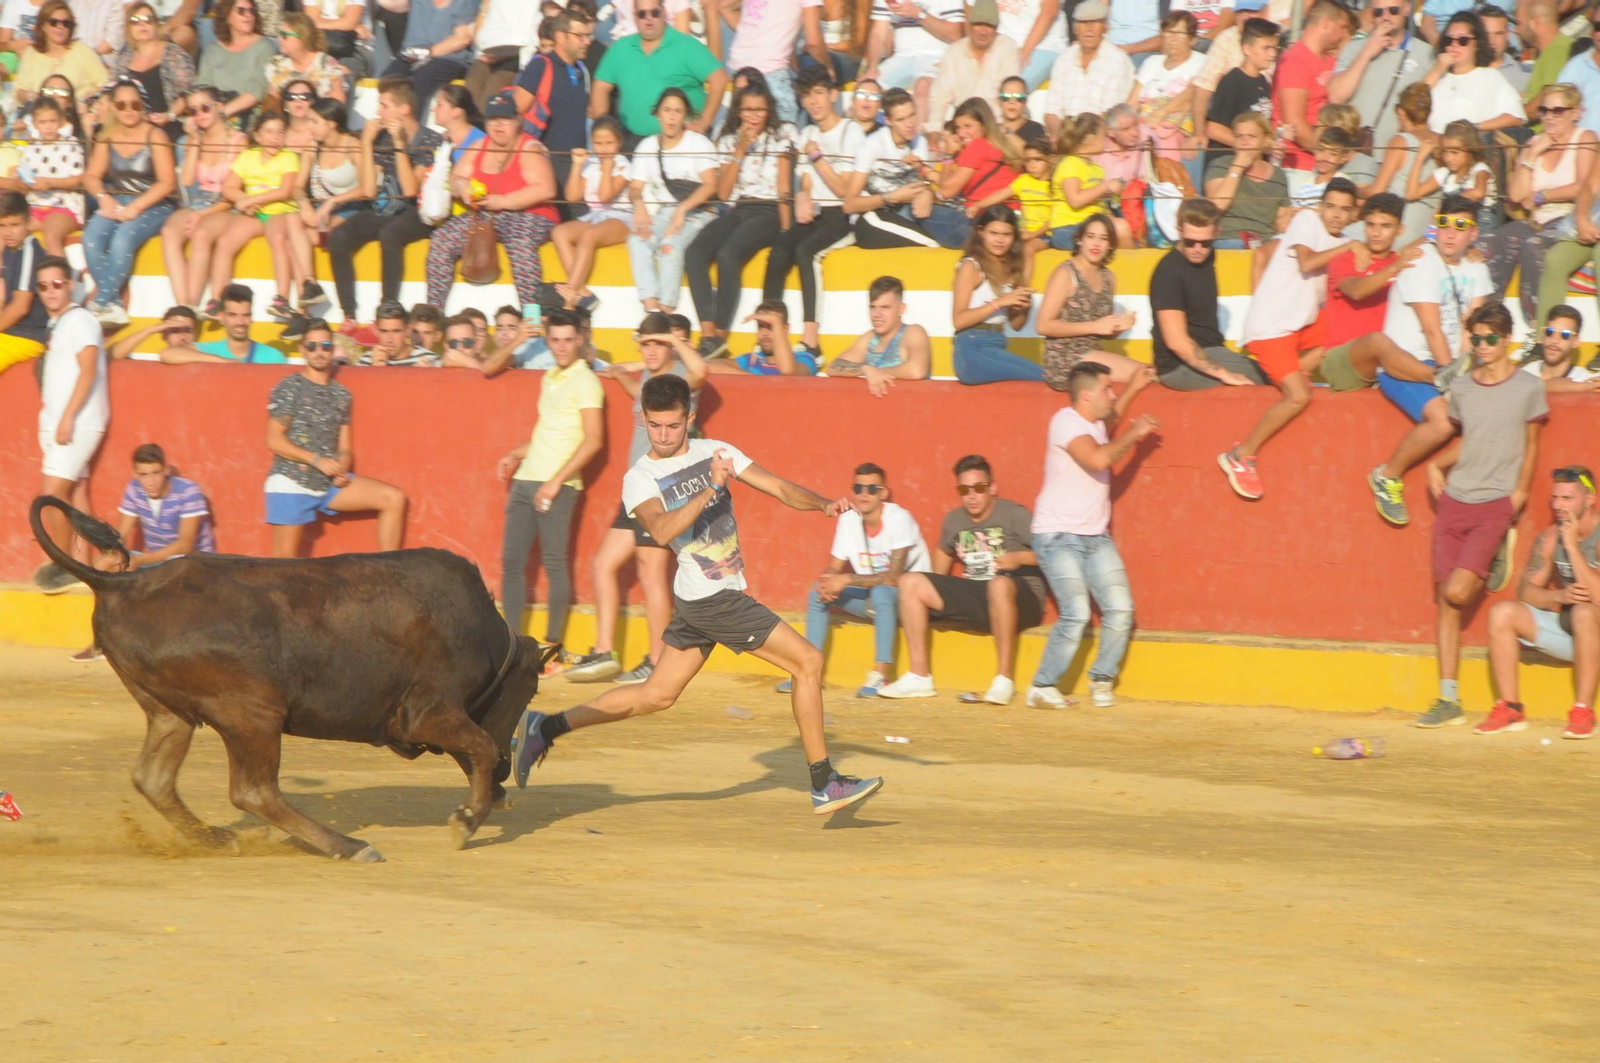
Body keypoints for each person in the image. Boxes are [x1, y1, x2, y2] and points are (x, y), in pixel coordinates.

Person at [507, 371, 886, 817]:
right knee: (808, 661)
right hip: (713, 599)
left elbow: (779, 487)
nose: (664, 436)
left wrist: (821, 503)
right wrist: (711, 486)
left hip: (699, 598)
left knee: (655, 695)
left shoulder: (716, 452)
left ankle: (545, 727)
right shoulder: (640, 478)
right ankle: (825, 781)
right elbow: (664, 529)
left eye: (672, 425)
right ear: (643, 419)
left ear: (689, 417)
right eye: (654, 425)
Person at [1412, 304, 1546, 729]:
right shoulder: (1465, 390)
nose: (1483, 346)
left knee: (1456, 591)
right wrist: (1437, 466)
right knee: (1445, 602)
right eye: (1477, 338)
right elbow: (1471, 442)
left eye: (1491, 338)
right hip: (1455, 499)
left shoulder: (1528, 386)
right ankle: (1448, 696)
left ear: (1507, 339)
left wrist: (1519, 495)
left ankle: (1489, 558)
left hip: (1495, 503)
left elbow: (1531, 444)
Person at [564, 317, 710, 685]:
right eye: (645, 343)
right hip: (637, 490)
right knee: (602, 565)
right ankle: (604, 651)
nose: (650, 350)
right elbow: (636, 389)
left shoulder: (678, 380)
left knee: (650, 570)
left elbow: (702, 369)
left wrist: (670, 341)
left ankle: (658, 658)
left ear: (670, 344)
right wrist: (619, 375)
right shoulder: (648, 381)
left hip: (663, 491)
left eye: (657, 343)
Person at [1026, 343, 1159, 711]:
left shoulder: (1093, 423)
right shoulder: (1065, 421)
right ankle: (1042, 685)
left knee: (1121, 608)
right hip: (1057, 537)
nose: (1111, 394)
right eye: (1107, 389)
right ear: (1086, 395)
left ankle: (1101, 679)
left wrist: (1133, 386)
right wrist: (1135, 435)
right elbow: (1100, 456)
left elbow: (1108, 425)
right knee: (1077, 612)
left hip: (1094, 536)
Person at [1217, 179, 1361, 499]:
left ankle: (1291, 371)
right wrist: (1351, 247)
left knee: (1351, 330)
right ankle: (1241, 456)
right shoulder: (1307, 221)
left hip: (1299, 327)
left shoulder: (1346, 240)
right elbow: (1308, 262)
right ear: (1321, 206)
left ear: (1354, 214)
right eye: (1331, 206)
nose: (1336, 215)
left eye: (1344, 209)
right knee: (1299, 396)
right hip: (1272, 328)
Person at [878, 454, 1048, 704]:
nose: (972, 495)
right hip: (976, 596)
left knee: (999, 584)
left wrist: (1019, 557)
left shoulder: (1015, 514)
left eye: (979, 488)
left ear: (992, 488)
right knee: (910, 581)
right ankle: (919, 676)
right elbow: (942, 560)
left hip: (1021, 597)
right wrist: (933, 596)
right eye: (964, 489)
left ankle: (1004, 680)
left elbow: (1051, 553)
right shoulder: (954, 521)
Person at [1369, 195, 1496, 527]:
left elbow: (1474, 327)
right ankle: (1387, 475)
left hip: (1453, 365)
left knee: (1492, 421)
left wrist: (1468, 369)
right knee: (1444, 421)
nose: (1450, 233)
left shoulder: (1476, 266)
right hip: (1408, 366)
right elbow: (1432, 329)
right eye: (1444, 224)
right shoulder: (1420, 260)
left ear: (1474, 232)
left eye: (1460, 226)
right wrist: (1455, 379)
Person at [494, 308, 604, 668]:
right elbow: (548, 433)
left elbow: (593, 440)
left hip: (558, 485)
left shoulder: (586, 380)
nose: (561, 346)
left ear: (580, 339)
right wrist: (515, 453)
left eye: (568, 340)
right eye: (554, 339)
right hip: (526, 479)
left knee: (555, 564)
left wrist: (557, 481)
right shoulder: (551, 377)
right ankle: (510, 646)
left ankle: (552, 650)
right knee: (512, 563)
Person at [782, 462, 931, 698]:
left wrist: (846, 579)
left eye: (872, 489)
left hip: (907, 603)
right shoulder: (848, 520)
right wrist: (829, 580)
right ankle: (809, 672)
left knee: (883, 591)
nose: (864, 494)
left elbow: (893, 578)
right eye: (858, 488)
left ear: (883, 493)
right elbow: (834, 565)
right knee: (815, 591)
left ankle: (880, 675)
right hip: (872, 599)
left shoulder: (900, 519)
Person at [265, 320, 407, 558]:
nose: (319, 351)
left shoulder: (342, 394)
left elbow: (344, 447)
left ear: (332, 349)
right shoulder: (289, 386)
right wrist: (317, 460)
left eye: (325, 345)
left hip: (328, 483)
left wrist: (342, 467)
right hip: (290, 480)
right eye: (312, 346)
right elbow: (273, 440)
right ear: (302, 349)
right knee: (282, 568)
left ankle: (390, 575)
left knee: (394, 499)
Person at [1476, 466, 1600, 737]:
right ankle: (1511, 708)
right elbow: (1526, 592)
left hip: (1594, 629)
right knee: (1502, 613)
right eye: (1555, 498)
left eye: (1567, 498)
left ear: (1590, 499)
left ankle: (1583, 711)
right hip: (1574, 635)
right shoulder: (1549, 537)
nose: (1558, 505)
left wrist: (1574, 548)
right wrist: (1558, 596)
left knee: (1584, 612)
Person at [760, 67, 863, 361]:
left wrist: (818, 158)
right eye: (807, 95)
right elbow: (805, 180)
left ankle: (811, 341)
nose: (813, 102)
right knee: (779, 251)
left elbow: (844, 189)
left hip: (841, 214)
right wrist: (803, 196)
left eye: (818, 93)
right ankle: (767, 335)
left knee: (806, 252)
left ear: (832, 94)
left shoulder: (850, 131)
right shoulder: (808, 132)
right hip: (815, 211)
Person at [684, 83, 795, 353]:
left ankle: (720, 335)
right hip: (739, 208)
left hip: (768, 209)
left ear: (768, 110)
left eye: (760, 110)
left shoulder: (781, 136)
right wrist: (739, 152)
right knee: (695, 253)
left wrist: (787, 230)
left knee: (728, 255)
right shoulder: (730, 139)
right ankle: (708, 333)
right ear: (739, 111)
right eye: (748, 110)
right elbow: (723, 192)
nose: (754, 116)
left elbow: (784, 187)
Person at [327, 79, 443, 337]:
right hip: (382, 206)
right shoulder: (378, 137)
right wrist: (367, 144)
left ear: (404, 109)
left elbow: (411, 189)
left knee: (390, 235)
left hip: (415, 212)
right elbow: (369, 190)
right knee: (339, 237)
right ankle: (348, 314)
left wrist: (400, 144)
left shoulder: (430, 139)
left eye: (384, 105)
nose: (379, 112)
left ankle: (387, 308)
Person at [427, 89, 559, 312]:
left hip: (531, 215)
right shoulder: (480, 146)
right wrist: (464, 188)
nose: (498, 125)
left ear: (517, 121)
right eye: (493, 120)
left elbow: (546, 189)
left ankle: (532, 315)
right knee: (441, 239)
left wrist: (505, 200)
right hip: (487, 215)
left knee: (521, 244)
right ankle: (434, 312)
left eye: (505, 119)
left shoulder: (530, 148)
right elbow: (456, 177)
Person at [1309, 193, 1440, 393]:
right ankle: (1439, 376)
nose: (1376, 233)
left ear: (1400, 230)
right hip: (1341, 361)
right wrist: (1394, 268)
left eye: (1385, 226)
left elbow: (1426, 246)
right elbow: (1356, 291)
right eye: (1371, 225)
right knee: (1376, 340)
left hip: (1385, 363)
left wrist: (1445, 233)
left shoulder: (1400, 262)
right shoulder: (1346, 259)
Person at [1485, 84, 1596, 320]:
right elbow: (1516, 195)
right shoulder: (1534, 144)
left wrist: (1540, 196)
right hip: (1536, 219)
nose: (1549, 116)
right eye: (1544, 110)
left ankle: (1538, 324)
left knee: (1533, 246)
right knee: (1492, 240)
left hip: (1569, 217)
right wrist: (1533, 155)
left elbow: (1582, 186)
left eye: (1557, 111)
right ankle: (1488, 317)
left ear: (1575, 113)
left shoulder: (1585, 138)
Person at [32, 254, 106, 594]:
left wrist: (67, 417)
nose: (50, 291)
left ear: (70, 286)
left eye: (57, 284)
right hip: (67, 422)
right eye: (43, 286)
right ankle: (84, 567)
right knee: (76, 497)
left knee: (51, 495)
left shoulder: (79, 320)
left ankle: (63, 564)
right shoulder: (62, 323)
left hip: (76, 422)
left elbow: (88, 370)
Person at [80, 77, 177, 326]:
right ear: (113, 107)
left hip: (155, 203)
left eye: (135, 105)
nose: (129, 110)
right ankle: (114, 304)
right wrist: (103, 198)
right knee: (90, 238)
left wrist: (137, 206)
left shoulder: (156, 135)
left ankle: (100, 303)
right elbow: (91, 176)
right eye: (122, 105)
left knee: (123, 238)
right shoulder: (107, 136)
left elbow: (167, 183)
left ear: (142, 107)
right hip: (116, 199)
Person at [1152, 197, 1268, 390]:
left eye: (1205, 243)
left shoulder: (1209, 255)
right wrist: (1225, 374)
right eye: (1190, 242)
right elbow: (1177, 343)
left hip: (1211, 351)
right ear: (1179, 231)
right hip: (1178, 366)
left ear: (1217, 233)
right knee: (1263, 378)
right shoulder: (1168, 273)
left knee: (1274, 372)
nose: (1198, 249)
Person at [193, 110, 299, 321]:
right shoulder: (248, 156)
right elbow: (230, 187)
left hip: (280, 210)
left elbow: (284, 191)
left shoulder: (289, 157)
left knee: (278, 240)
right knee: (225, 242)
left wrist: (251, 200)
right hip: (254, 212)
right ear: (258, 135)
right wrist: (243, 199)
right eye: (268, 132)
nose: (274, 137)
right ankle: (217, 301)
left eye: (280, 132)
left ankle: (282, 299)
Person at [625, 88, 719, 315]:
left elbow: (710, 185)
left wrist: (683, 209)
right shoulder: (647, 146)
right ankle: (651, 310)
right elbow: (635, 188)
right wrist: (639, 205)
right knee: (637, 240)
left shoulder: (698, 143)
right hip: (665, 211)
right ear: (658, 113)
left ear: (685, 115)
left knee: (671, 246)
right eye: (667, 110)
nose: (672, 116)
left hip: (699, 210)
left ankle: (666, 311)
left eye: (678, 111)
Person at [590, 0, 724, 141]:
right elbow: (600, 87)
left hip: (682, 141)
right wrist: (603, 132)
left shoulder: (686, 46)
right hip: (633, 140)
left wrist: (704, 122)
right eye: (642, 14)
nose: (649, 18)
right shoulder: (620, 48)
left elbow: (719, 80)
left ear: (664, 12)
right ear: (635, 16)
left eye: (654, 13)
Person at [1036, 214, 1142, 390]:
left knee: (1145, 373)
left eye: (1104, 238)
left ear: (1110, 245)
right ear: (1079, 240)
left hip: (1093, 356)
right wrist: (1095, 326)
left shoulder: (1109, 277)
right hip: (1065, 361)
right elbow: (1043, 325)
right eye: (1090, 236)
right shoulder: (1065, 273)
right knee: (1142, 373)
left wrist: (1120, 326)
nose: (1096, 244)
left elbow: (1101, 330)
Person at [161, 86, 244, 308]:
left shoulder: (238, 140)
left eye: (205, 108)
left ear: (218, 107)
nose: (200, 114)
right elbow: (188, 181)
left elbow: (234, 193)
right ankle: (184, 306)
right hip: (197, 201)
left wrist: (202, 214)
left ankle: (192, 305)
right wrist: (194, 140)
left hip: (226, 205)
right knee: (169, 232)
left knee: (201, 234)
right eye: (193, 111)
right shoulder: (191, 139)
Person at [513, 8, 595, 204]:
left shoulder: (582, 71)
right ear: (560, 37)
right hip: (545, 164)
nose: (587, 41)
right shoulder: (540, 65)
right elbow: (515, 111)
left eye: (588, 35)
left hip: (575, 166)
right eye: (579, 36)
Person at [1326, 0, 1432, 149]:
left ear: (1407, 9)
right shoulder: (1354, 48)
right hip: (1356, 152)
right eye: (1378, 12)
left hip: (1399, 154)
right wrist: (1367, 52)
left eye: (1393, 10)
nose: (1385, 17)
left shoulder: (1427, 54)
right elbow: (1336, 96)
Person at [841, 86, 938, 249]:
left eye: (912, 115)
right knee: (931, 244)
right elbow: (849, 204)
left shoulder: (919, 141)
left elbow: (922, 182)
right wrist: (890, 197)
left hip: (904, 212)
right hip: (870, 217)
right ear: (888, 121)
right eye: (901, 120)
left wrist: (927, 190)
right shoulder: (872, 146)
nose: (910, 124)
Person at [950, 204, 1037, 385]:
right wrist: (1000, 302)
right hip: (972, 347)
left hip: (997, 342)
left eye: (1006, 235)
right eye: (994, 233)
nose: (1000, 240)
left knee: (1038, 378)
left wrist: (1024, 306)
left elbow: (1016, 325)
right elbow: (958, 320)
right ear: (981, 232)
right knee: (1040, 377)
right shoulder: (971, 266)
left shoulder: (1010, 267)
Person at [551, 115, 632, 309]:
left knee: (589, 235)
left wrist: (607, 167)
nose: (603, 148)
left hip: (621, 217)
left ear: (618, 143)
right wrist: (577, 165)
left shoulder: (623, 165)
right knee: (559, 232)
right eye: (598, 143)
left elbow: (606, 196)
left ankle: (570, 291)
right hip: (594, 217)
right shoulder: (591, 163)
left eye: (608, 143)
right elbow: (572, 196)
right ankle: (582, 293)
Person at [707, 0, 827, 129]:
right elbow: (814, 42)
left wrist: (753, 33)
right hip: (771, 73)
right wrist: (829, 69)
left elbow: (725, 7)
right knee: (782, 139)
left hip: (738, 71)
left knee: (742, 136)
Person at [104, 442, 218, 573]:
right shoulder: (134, 488)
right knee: (104, 562)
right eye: (144, 475)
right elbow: (121, 535)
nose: (151, 482)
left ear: (166, 470)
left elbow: (185, 545)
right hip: (155, 564)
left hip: (193, 564)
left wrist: (140, 561)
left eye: (156, 473)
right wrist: (115, 555)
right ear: (135, 474)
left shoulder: (189, 491)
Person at [1271, 1, 1353, 171]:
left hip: (1325, 160)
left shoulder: (1329, 60)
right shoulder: (1295, 60)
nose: (1343, 34)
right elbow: (1295, 124)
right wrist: (1328, 154)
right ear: (1327, 24)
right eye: (1342, 27)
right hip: (1299, 162)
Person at [860, 0, 963, 130]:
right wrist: (872, 68)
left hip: (938, 57)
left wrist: (919, 14)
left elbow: (954, 34)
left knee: (922, 88)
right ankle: (866, 141)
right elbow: (877, 33)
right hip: (901, 57)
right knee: (866, 89)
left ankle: (919, 144)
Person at [1043, 2, 1134, 143]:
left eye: (1095, 22)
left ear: (1105, 27)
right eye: (1083, 22)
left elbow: (1108, 116)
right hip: (1065, 136)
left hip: (1099, 140)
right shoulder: (1064, 59)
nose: (1089, 28)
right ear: (1075, 28)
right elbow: (1051, 112)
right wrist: (1058, 137)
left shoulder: (1117, 60)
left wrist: (1081, 142)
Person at [1424, 9, 1525, 133]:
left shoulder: (1490, 76)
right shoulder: (1436, 77)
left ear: (1477, 44)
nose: (1454, 45)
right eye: (1449, 40)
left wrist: (1473, 128)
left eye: (1463, 40)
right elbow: (1413, 105)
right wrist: (1438, 69)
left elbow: (1516, 116)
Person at [823, 275, 931, 391]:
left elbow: (917, 371)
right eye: (873, 307)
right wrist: (865, 369)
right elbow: (832, 368)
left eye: (885, 307)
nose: (876, 314)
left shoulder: (913, 332)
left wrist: (877, 372)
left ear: (901, 309)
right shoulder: (869, 338)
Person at [924, 0, 1018, 134]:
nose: (983, 31)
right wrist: (934, 132)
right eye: (978, 24)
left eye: (988, 25)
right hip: (964, 129)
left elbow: (1010, 96)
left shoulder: (1007, 48)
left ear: (996, 28)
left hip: (996, 127)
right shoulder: (954, 52)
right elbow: (939, 97)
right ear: (969, 24)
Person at [379, 0, 478, 116]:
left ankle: (410, 129)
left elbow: (462, 39)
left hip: (450, 57)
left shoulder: (464, 3)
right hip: (414, 54)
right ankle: (388, 125)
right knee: (389, 80)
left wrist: (428, 52)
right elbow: (392, 4)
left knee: (420, 81)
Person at [1204, 112, 1288, 248]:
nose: (1244, 142)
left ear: (1266, 140)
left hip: (1265, 245)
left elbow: (1282, 221)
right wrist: (1237, 167)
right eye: (1239, 136)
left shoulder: (1278, 175)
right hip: (1229, 239)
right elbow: (1217, 206)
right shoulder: (1220, 165)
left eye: (1252, 136)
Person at [1132, 10, 1205, 164]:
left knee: (1162, 139)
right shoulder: (1152, 62)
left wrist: (1160, 113)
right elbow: (1133, 100)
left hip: (1174, 124)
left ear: (1192, 39)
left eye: (1179, 33)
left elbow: (1191, 93)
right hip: (1145, 121)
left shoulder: (1201, 62)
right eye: (1169, 32)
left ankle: (1165, 185)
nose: (1173, 38)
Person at [1203, 15, 1278, 164]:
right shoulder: (1233, 81)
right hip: (1225, 164)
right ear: (1247, 49)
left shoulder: (1263, 82)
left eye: (1275, 48)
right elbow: (1213, 128)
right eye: (1266, 48)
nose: (1273, 54)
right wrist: (1249, 146)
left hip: (1253, 167)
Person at [108, 4, 196, 126]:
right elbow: (114, 91)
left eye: (148, 20)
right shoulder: (123, 59)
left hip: (170, 123)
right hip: (134, 125)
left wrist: (169, 115)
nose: (142, 25)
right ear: (128, 28)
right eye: (135, 21)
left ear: (156, 25)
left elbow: (188, 93)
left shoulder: (173, 53)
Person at [1048, 112, 1126, 251]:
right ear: (1092, 140)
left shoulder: (1096, 168)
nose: (1107, 141)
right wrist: (1106, 186)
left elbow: (1097, 203)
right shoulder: (1070, 164)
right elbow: (1075, 200)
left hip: (1091, 225)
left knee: (1122, 227)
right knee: (1120, 228)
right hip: (1069, 228)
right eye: (1104, 137)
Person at [161, 283, 287, 364]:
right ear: (222, 317)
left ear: (251, 318)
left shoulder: (273, 357)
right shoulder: (208, 350)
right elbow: (168, 354)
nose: (240, 322)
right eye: (233, 315)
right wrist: (222, 361)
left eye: (245, 315)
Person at [13, 1, 107, 109]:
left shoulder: (82, 50)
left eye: (66, 23)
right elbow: (20, 90)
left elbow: (103, 84)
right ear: (43, 25)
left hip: (77, 115)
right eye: (54, 22)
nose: (60, 27)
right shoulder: (31, 53)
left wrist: (84, 101)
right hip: (41, 115)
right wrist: (32, 97)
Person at [1404, 119, 1496, 227]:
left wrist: (1447, 206)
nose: (1448, 158)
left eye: (1455, 152)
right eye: (1445, 152)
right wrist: (1420, 157)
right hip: (1452, 231)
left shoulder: (1479, 169)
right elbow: (1411, 194)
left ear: (1470, 150)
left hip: (1478, 231)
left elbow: (1478, 193)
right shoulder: (1445, 174)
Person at [197, 0, 277, 122]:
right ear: (227, 16)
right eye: (241, 10)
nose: (248, 15)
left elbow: (257, 89)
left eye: (252, 11)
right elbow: (203, 86)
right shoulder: (213, 50)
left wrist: (224, 112)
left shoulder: (265, 48)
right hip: (212, 115)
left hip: (246, 117)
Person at [704, 300, 819, 376]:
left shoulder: (804, 358)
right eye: (761, 326)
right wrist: (754, 380)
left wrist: (776, 321)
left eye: (771, 326)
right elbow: (707, 366)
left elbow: (788, 371)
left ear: (785, 329)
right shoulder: (752, 360)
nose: (764, 333)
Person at [0, 192, 48, 371]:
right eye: (2, 225)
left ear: (28, 222)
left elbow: (21, 306)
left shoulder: (30, 251)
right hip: (8, 332)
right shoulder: (8, 248)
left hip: (27, 336)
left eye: (14, 225)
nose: (8, 232)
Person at [1522, 304, 1600, 391]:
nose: (1554, 340)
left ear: (1575, 341)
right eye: (1549, 332)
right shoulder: (1526, 373)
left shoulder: (1584, 381)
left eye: (1565, 335)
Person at [357, 299, 440, 366]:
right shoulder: (366, 361)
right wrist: (375, 371)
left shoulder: (430, 360)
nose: (389, 339)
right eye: (384, 331)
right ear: (375, 331)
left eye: (396, 331)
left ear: (407, 330)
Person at [996, 75, 1046, 147]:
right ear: (999, 101)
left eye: (1019, 97)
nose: (1012, 102)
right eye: (1006, 97)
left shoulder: (1035, 129)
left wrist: (1006, 132)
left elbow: (1032, 154)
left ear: (1025, 101)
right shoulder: (991, 130)